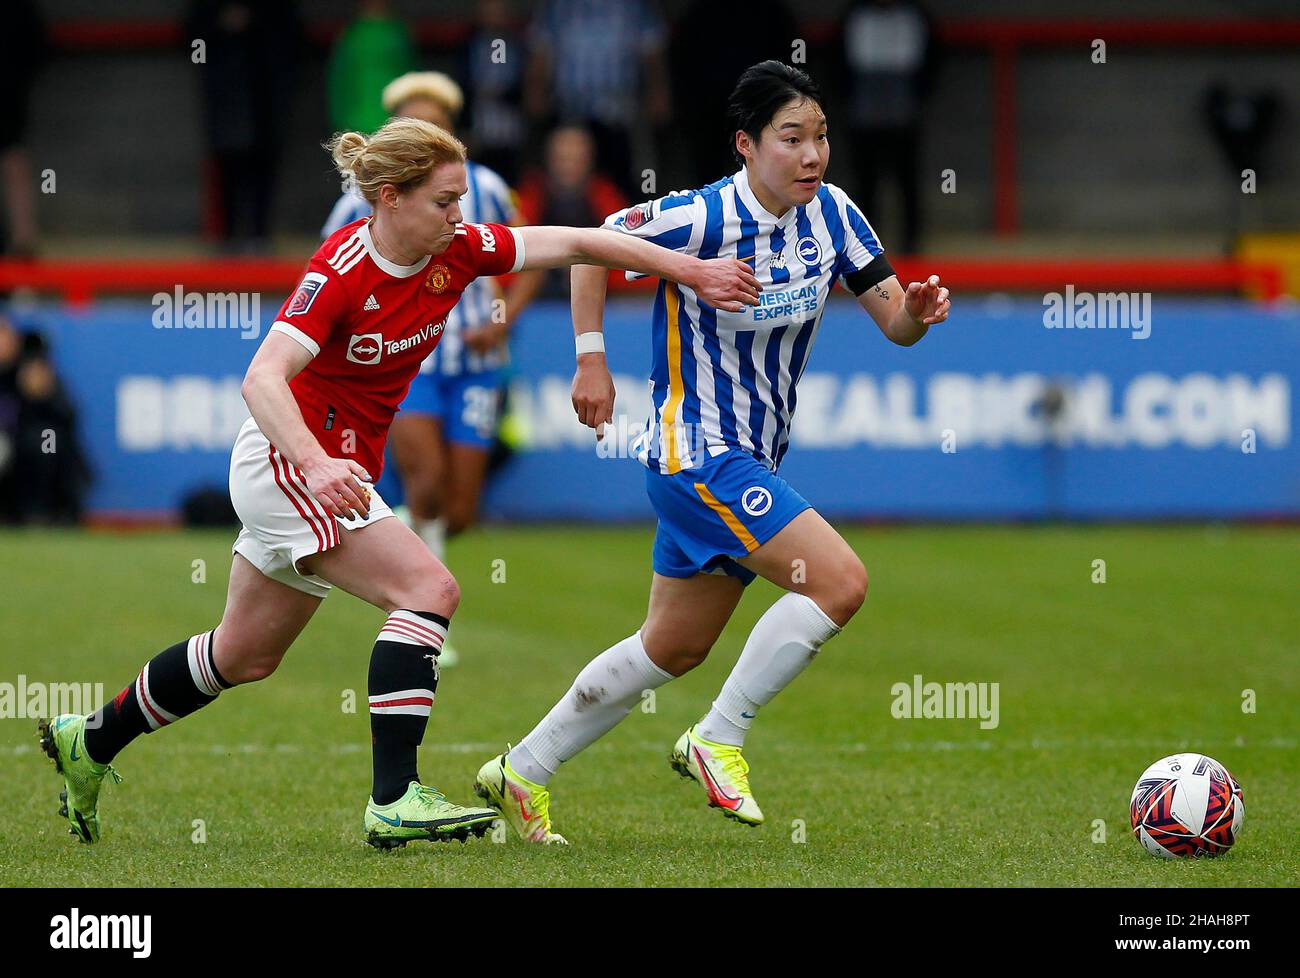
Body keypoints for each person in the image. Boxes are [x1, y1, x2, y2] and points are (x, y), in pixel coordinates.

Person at [37, 116, 760, 850]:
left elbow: (579, 240)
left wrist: (690, 270)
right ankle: (394, 799)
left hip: (331, 470)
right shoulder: (342, 271)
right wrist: (315, 465)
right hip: (292, 464)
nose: (462, 215)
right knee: (429, 589)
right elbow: (262, 378)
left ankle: (90, 739)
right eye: (446, 201)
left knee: (244, 653)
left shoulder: (460, 251)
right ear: (390, 199)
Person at [474, 62, 950, 844]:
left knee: (673, 647)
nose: (812, 156)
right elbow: (592, 248)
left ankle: (522, 770)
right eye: (791, 139)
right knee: (840, 582)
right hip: (695, 453)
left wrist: (919, 316)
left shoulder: (834, 215)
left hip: (751, 461)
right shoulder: (699, 218)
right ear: (745, 144)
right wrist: (590, 357)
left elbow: (892, 321)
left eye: (821, 137)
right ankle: (717, 737)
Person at [325, 72, 545, 669]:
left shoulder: (488, 187)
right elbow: (331, 283)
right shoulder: (359, 199)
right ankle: (422, 619)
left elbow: (531, 261)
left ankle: (395, 543)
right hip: (406, 364)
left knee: (462, 508)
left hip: (476, 365)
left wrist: (501, 317)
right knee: (424, 484)